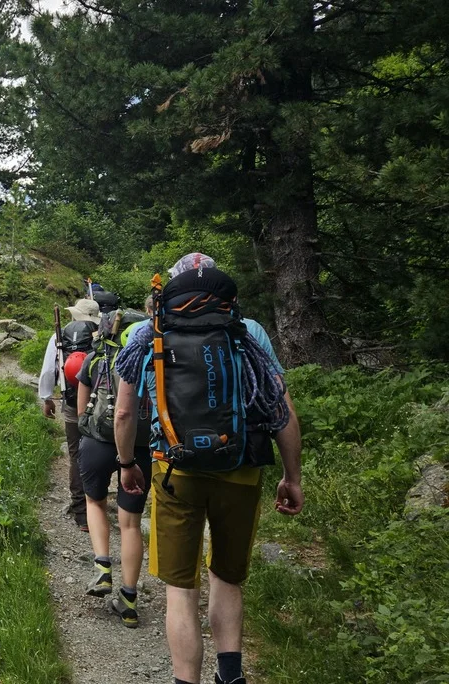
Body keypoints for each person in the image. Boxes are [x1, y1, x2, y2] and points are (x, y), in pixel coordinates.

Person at [113, 255, 304, 684]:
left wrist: (127, 464)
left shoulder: (149, 333)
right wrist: (292, 478)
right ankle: (230, 676)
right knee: (227, 577)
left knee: (181, 590)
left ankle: (186, 680)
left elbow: (124, 414)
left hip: (175, 473)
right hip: (240, 469)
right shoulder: (247, 331)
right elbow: (282, 413)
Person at [75, 308, 154, 628]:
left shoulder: (96, 359)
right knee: (131, 524)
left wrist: (87, 430)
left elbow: (81, 407)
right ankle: (129, 600)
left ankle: (103, 566)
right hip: (139, 447)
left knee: (95, 501)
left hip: (96, 443)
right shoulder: (150, 360)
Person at [39, 298, 101, 530]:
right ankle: (98, 503)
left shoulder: (60, 335)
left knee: (75, 455)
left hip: (72, 404)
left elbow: (48, 370)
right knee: (101, 450)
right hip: (101, 406)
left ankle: (81, 512)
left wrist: (47, 398)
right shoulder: (104, 335)